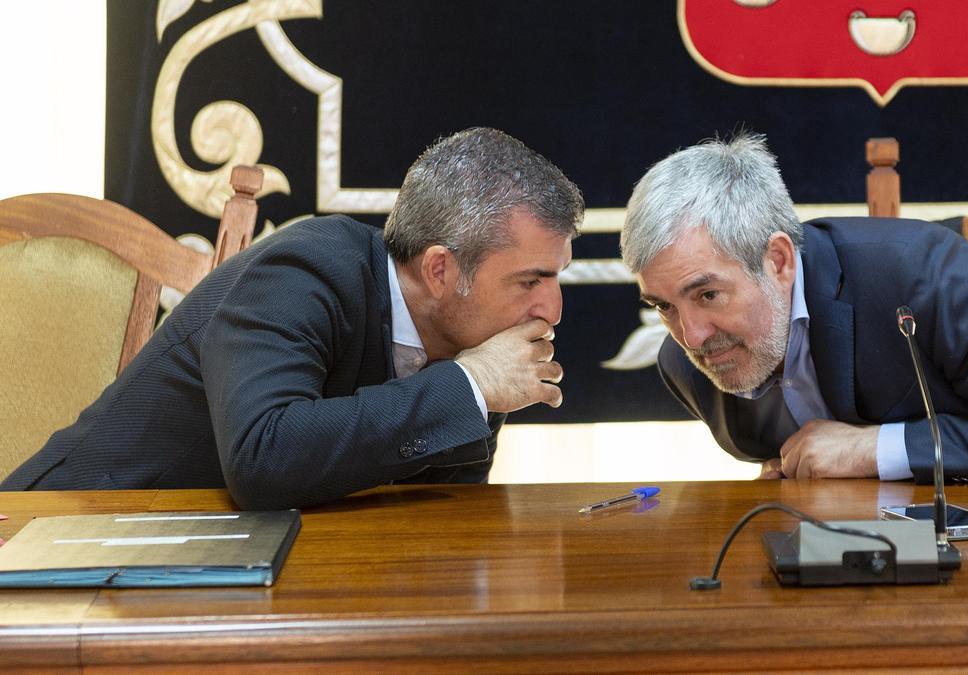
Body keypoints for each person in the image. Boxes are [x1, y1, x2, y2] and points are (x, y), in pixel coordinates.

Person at [1, 127, 583, 509]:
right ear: (439, 270)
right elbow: (263, 457)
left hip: (231, 565)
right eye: (530, 281)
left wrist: (473, 386)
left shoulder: (473, 338)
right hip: (65, 541)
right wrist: (470, 387)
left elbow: (431, 507)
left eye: (556, 278)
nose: (550, 309)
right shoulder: (302, 269)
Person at [620, 133, 968, 484]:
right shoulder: (686, 365)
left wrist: (874, 450)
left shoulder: (923, 275)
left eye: (708, 295)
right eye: (663, 306)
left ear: (777, 260)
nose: (690, 336)